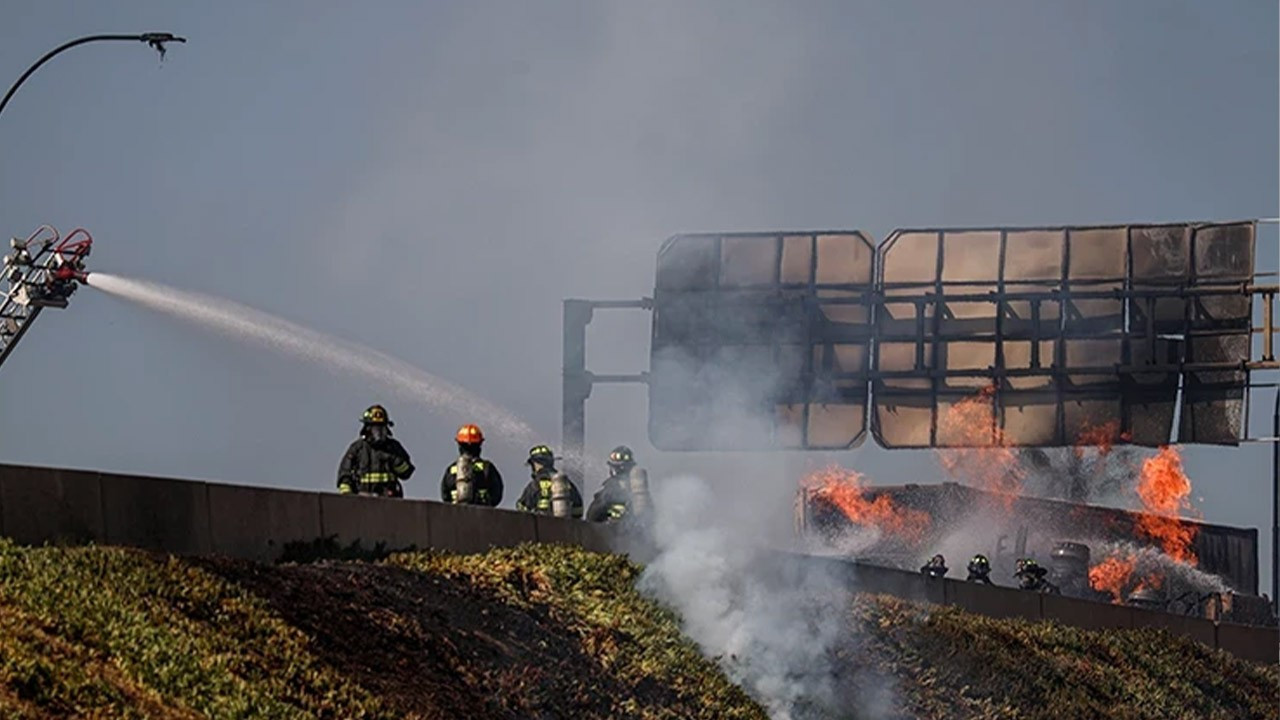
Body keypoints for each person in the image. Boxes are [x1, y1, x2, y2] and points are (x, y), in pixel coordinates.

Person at [336, 404, 415, 497]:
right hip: (362, 502)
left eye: (382, 429)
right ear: (367, 429)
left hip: (390, 503)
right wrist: (348, 496)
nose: (379, 433)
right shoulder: (357, 448)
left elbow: (407, 473)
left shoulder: (393, 447)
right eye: (375, 429)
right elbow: (344, 475)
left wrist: (394, 460)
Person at [441, 423, 503, 506]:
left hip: (455, 515)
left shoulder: (451, 470)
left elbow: (445, 495)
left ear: (460, 445)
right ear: (479, 445)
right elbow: (497, 494)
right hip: (483, 515)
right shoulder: (487, 468)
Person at [515, 444, 584, 518]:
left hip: (541, 527)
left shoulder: (534, 485)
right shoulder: (565, 483)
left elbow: (522, 508)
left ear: (536, 463)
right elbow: (579, 510)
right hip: (564, 527)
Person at [587, 445, 638, 523]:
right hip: (615, 532)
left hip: (624, 532)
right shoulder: (608, 492)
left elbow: (592, 516)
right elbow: (592, 516)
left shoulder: (636, 490)